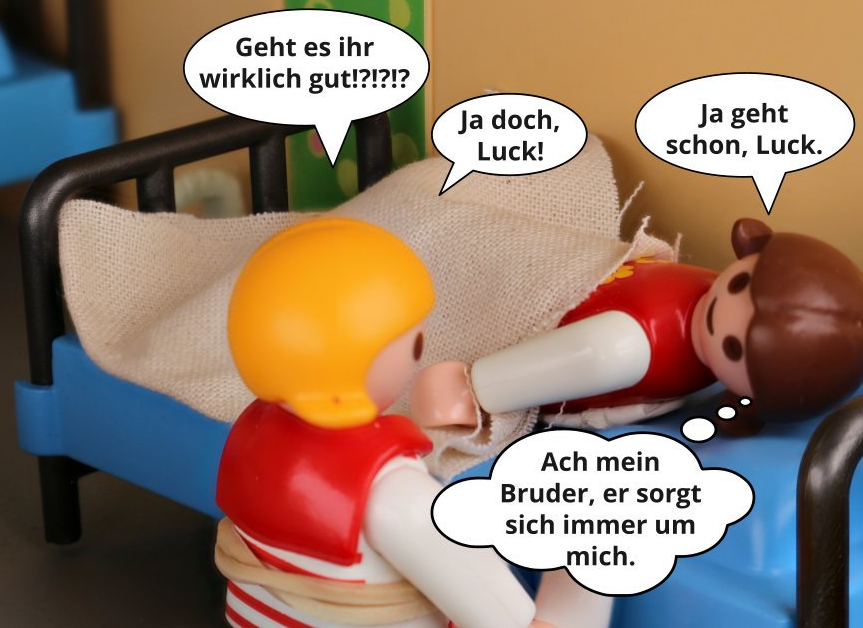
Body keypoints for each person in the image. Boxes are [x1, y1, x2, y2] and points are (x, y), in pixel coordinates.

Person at [215, 218, 576, 628]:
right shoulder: (391, 488)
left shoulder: (250, 433)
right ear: (360, 360)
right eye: (415, 343)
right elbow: (501, 616)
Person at [412, 219, 863, 434]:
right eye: (740, 283)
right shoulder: (697, 286)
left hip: (526, 340)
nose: (722, 315)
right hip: (540, 281)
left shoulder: (628, 347)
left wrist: (474, 389)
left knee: (610, 352)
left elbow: (583, 357)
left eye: (734, 347)